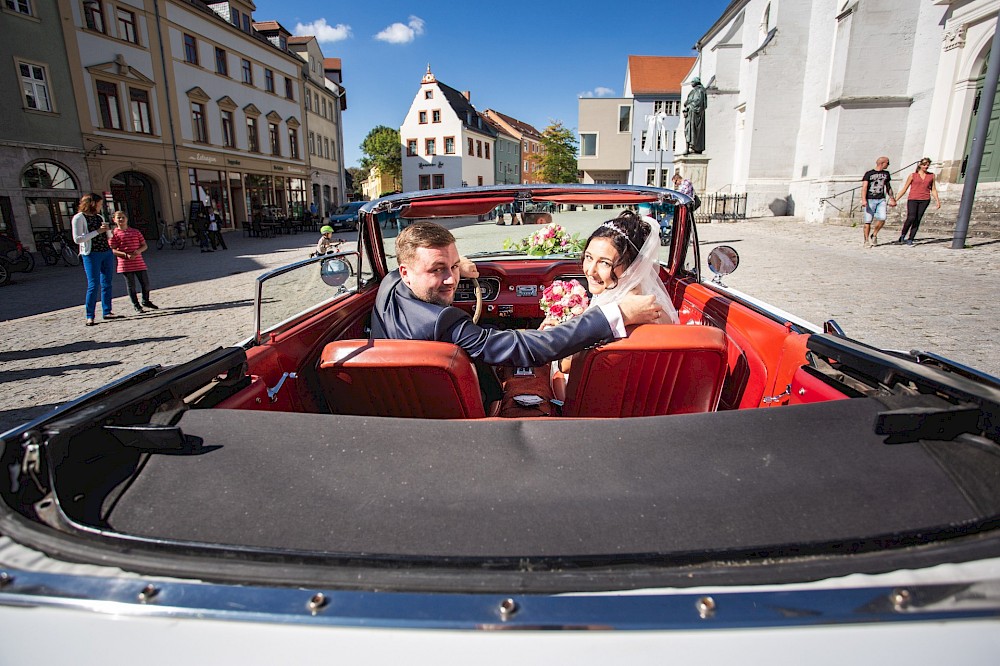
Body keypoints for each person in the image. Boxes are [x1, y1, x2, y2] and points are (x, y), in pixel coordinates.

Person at [370, 221, 664, 402]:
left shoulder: (390, 284)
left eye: (454, 266)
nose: (451, 279)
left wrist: (460, 265)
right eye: (437, 270)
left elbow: (422, 269)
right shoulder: (444, 322)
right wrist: (615, 314)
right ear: (407, 271)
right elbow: (526, 348)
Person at [548, 210, 680, 394]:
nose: (590, 270)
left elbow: (567, 365)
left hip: (595, 402)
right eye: (588, 257)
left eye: (605, 263)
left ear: (633, 267)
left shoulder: (617, 314)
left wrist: (553, 335)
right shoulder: (657, 309)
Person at [71, 193, 117, 326]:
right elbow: (78, 239)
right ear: (92, 203)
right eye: (99, 204)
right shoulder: (79, 218)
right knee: (93, 284)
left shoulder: (99, 217)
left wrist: (109, 233)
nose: (100, 206)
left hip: (106, 251)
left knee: (107, 282)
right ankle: (90, 315)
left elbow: (106, 235)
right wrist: (97, 231)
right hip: (91, 253)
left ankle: (107, 311)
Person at [109, 211, 159, 313]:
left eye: (123, 217)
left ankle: (146, 300)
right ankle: (136, 305)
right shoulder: (114, 233)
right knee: (131, 286)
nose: (121, 220)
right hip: (125, 263)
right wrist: (125, 255)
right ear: (114, 220)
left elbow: (144, 245)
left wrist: (138, 251)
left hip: (138, 261)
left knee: (145, 284)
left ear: (127, 218)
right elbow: (113, 249)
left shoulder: (135, 231)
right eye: (118, 218)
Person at [895, 157, 941, 245]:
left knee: (917, 219)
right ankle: (903, 234)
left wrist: (937, 201)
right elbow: (904, 188)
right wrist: (896, 199)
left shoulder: (931, 176)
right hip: (913, 198)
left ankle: (911, 238)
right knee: (911, 217)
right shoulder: (913, 175)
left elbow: (933, 189)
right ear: (920, 165)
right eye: (924, 165)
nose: (926, 166)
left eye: (927, 165)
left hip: (925, 199)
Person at [861, 156, 896, 248]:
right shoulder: (869, 174)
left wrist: (892, 198)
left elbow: (888, 187)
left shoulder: (886, 174)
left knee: (883, 218)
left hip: (881, 199)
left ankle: (874, 234)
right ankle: (866, 240)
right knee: (867, 221)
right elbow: (864, 187)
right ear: (882, 163)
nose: (888, 165)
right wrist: (864, 199)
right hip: (870, 199)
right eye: (887, 163)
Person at [683, 77, 707, 154]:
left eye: (693, 81)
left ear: (696, 82)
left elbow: (698, 103)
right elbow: (688, 101)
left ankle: (693, 147)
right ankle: (689, 147)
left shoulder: (700, 91)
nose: (691, 83)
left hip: (695, 115)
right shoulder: (693, 91)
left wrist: (689, 106)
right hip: (689, 114)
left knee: (691, 131)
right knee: (687, 130)